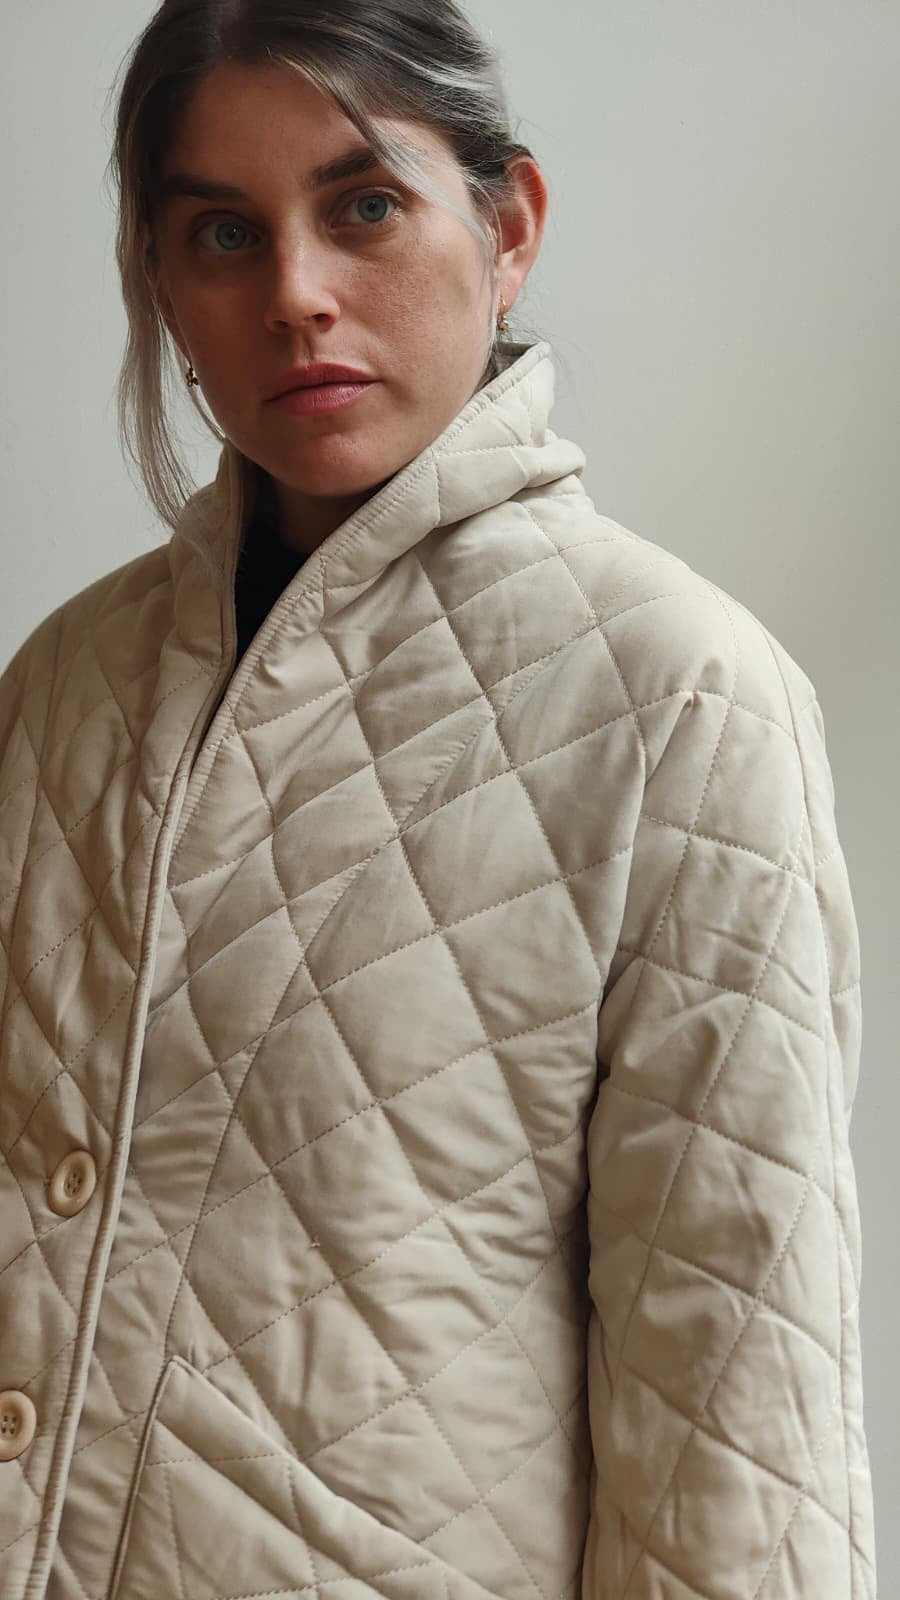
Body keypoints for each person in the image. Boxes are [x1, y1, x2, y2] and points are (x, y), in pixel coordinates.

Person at [0, 2, 876, 1596]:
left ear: (507, 227)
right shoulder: (64, 685)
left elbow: (736, 1398)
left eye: (363, 207)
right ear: (161, 283)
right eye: (221, 234)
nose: (295, 293)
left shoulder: (678, 698)